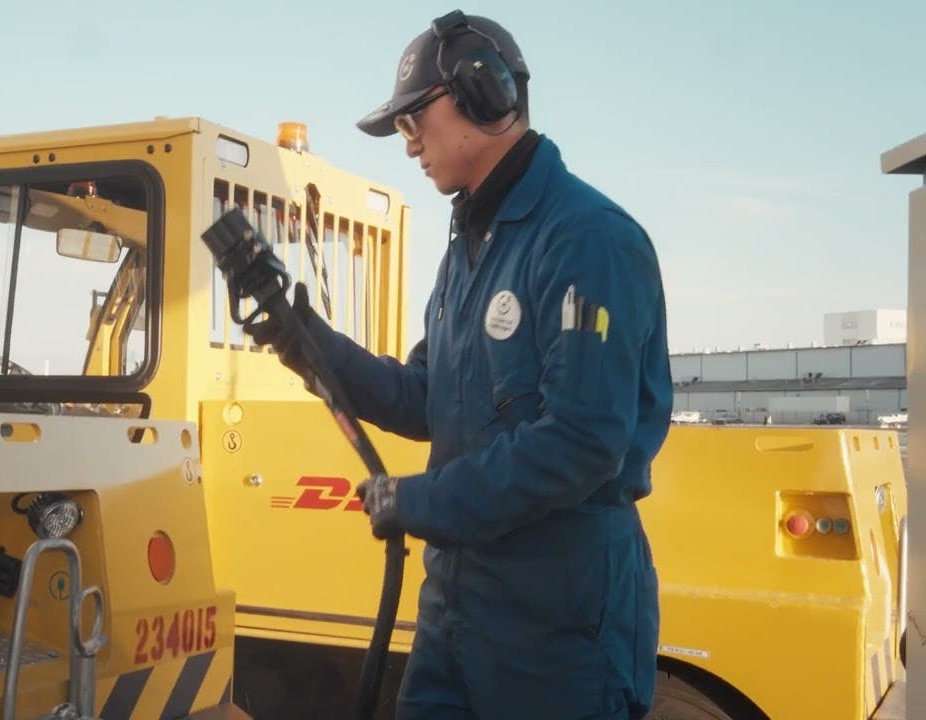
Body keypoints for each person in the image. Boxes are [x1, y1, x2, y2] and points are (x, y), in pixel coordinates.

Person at [247, 10, 673, 720]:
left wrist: (421, 502)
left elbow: (583, 441)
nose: (408, 145)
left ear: (485, 92)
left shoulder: (588, 240)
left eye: (415, 121)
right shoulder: (469, 250)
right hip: (456, 608)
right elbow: (427, 397)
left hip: (557, 623)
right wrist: (306, 343)